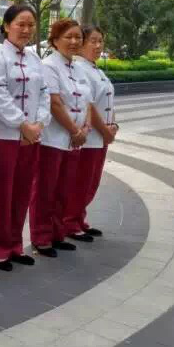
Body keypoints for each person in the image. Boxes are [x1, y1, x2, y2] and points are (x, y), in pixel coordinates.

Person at [0, 5, 50, 271]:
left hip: (31, 135)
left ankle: (14, 245)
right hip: (4, 135)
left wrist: (38, 124)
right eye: (21, 24)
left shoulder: (35, 59)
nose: (26, 29)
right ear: (7, 26)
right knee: (1, 193)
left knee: (22, 191)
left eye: (31, 25)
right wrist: (22, 124)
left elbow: (44, 93)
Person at [28, 19, 90, 257]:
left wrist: (85, 128)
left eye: (78, 37)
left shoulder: (78, 67)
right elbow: (54, 103)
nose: (74, 41)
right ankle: (41, 237)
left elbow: (86, 101)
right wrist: (75, 131)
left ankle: (57, 233)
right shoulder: (48, 66)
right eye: (68, 37)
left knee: (64, 189)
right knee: (46, 190)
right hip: (53, 139)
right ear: (55, 40)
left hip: (74, 140)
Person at [64, 24, 117, 239]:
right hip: (91, 136)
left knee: (91, 182)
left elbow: (108, 101)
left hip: (101, 136)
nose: (97, 46)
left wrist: (113, 126)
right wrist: (105, 130)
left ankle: (79, 219)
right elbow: (90, 105)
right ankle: (70, 222)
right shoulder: (80, 69)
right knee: (81, 182)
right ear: (82, 44)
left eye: (100, 41)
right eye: (92, 41)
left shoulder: (96, 69)